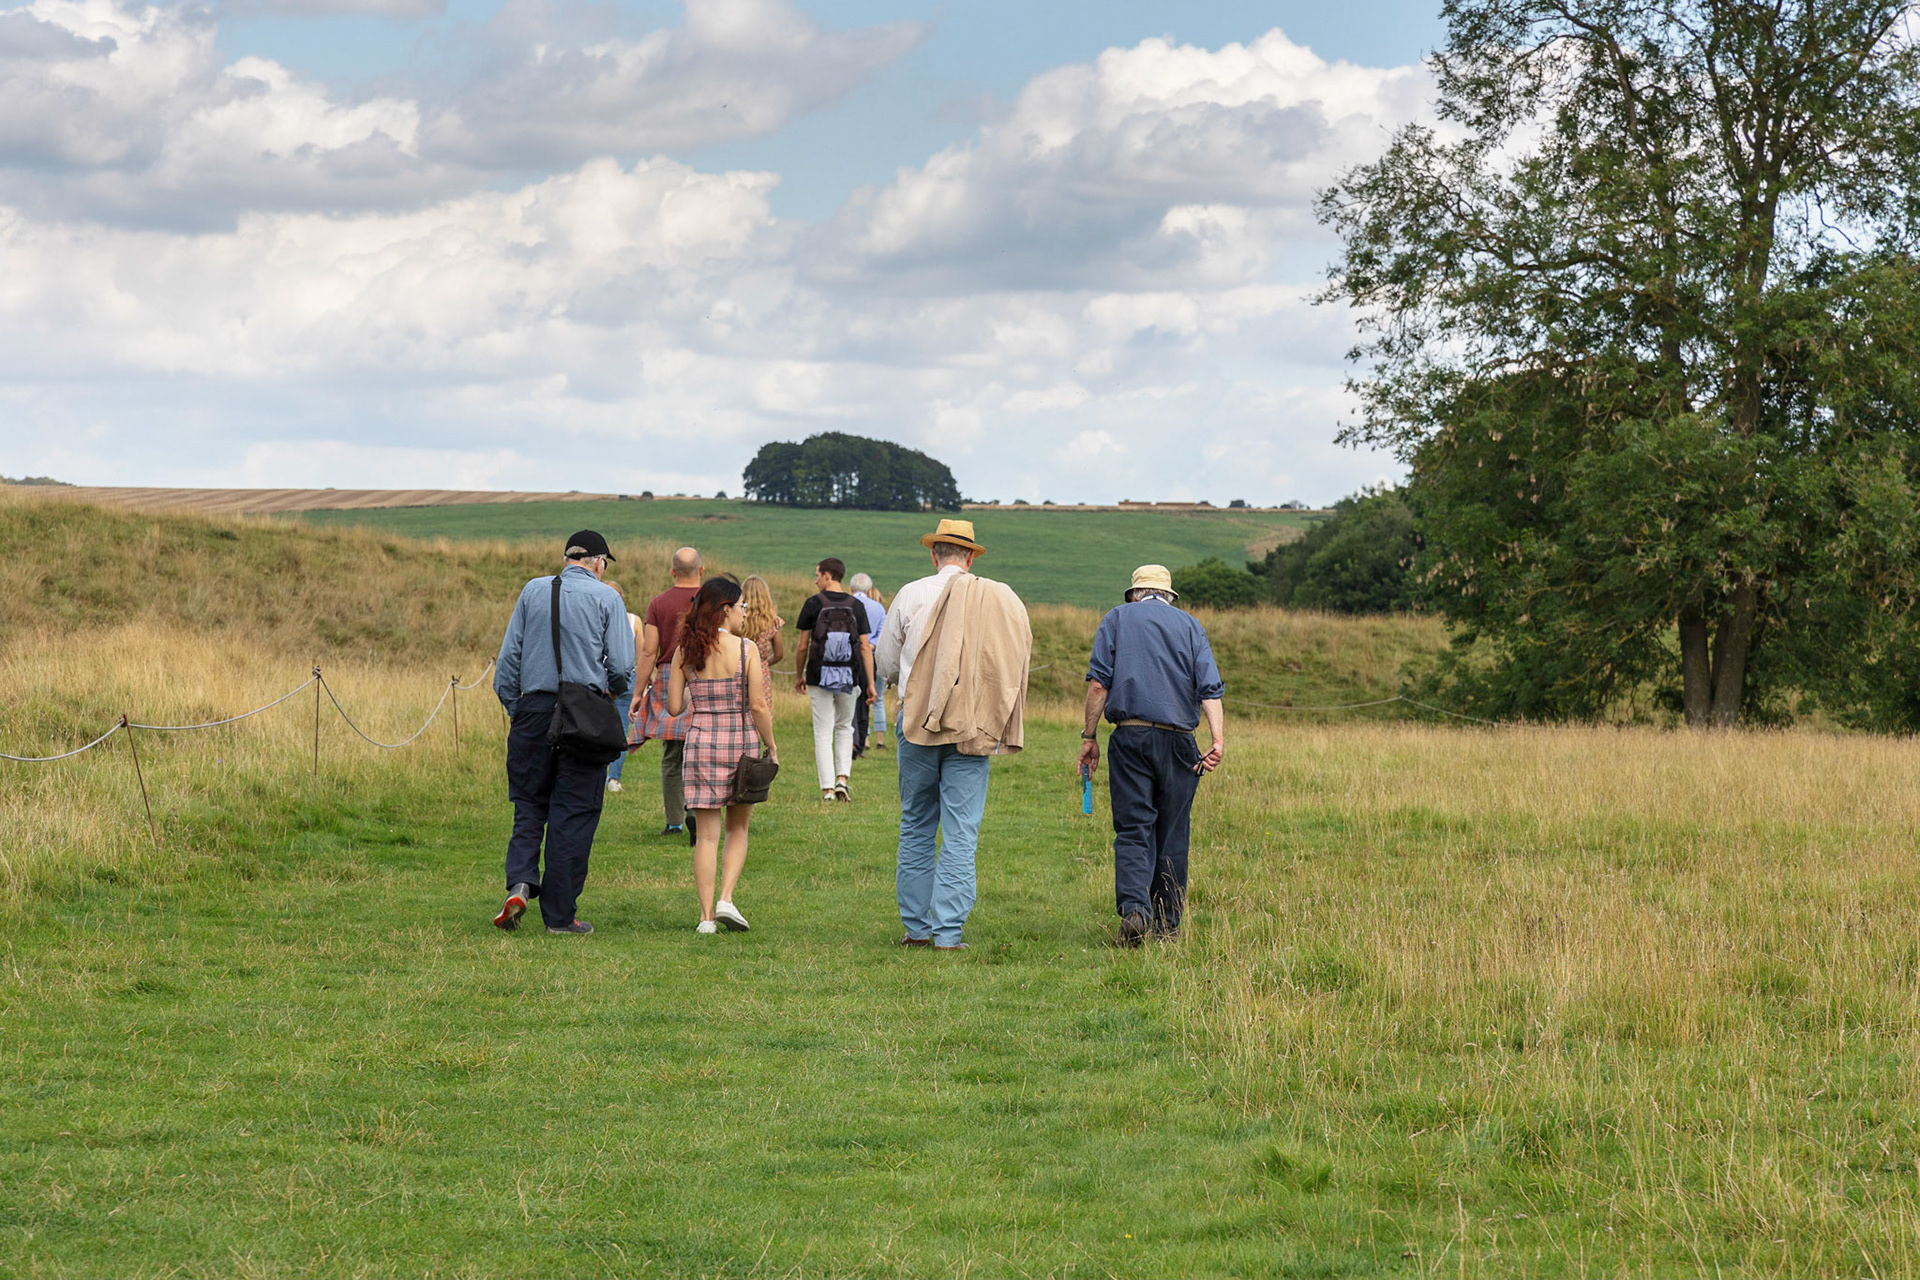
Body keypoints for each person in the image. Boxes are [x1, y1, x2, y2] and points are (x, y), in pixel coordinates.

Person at [876, 519, 1031, 951]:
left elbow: (886, 662)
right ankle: (948, 934)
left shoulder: (911, 593)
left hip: (917, 721)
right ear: (970, 558)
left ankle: (916, 929)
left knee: (916, 823)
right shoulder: (995, 599)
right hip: (972, 724)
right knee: (961, 831)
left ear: (934, 555)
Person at [491, 530, 636, 935]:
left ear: (567, 558)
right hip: (582, 713)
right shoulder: (608, 597)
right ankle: (559, 917)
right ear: (599, 562)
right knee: (573, 813)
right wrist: (611, 693)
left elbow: (509, 661)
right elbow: (621, 666)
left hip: (533, 709)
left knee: (528, 804)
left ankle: (520, 883)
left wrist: (518, 709)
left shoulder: (532, 590)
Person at [1077, 565, 1225, 946]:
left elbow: (1098, 686)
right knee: (1173, 832)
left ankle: (1135, 912)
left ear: (1134, 594)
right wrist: (1217, 739)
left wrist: (1089, 736)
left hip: (1131, 736)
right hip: (1181, 742)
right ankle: (1167, 926)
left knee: (1133, 827)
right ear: (1169, 597)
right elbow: (1210, 688)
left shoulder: (1116, 619)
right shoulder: (1191, 626)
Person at [668, 577, 779, 934]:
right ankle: (726, 899)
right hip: (740, 742)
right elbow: (758, 705)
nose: (745, 613)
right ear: (726, 609)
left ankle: (705, 919)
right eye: (741, 607)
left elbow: (674, 707)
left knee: (706, 836)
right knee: (738, 827)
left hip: (701, 741)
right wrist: (772, 746)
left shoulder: (685, 650)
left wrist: (697, 691)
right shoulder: (747, 649)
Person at [630, 547, 702, 838]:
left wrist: (638, 692)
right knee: (701, 749)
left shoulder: (658, 603)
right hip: (705, 676)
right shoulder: (712, 601)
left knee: (672, 755)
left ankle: (674, 822)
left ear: (672, 571)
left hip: (669, 678)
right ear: (701, 570)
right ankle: (698, 809)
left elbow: (649, 651)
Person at [792, 557, 876, 802]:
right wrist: (870, 683)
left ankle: (827, 789)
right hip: (850, 675)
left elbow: (802, 646)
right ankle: (842, 779)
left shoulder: (812, 604)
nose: (815, 580)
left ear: (827, 575)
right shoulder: (856, 605)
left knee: (823, 730)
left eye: (817, 575)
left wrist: (799, 675)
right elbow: (864, 647)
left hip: (819, 675)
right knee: (845, 726)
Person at [603, 581, 642, 794]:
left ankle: (601, 773)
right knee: (621, 730)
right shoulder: (634, 620)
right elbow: (642, 654)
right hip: (627, 677)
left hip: (601, 678)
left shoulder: (597, 618)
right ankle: (614, 778)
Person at [848, 572, 888, 757]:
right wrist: (871, 644)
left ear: (851, 588)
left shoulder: (847, 604)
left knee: (850, 700)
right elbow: (883, 633)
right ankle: (863, 743)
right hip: (871, 657)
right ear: (869, 589)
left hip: (850, 656)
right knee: (868, 699)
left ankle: (853, 740)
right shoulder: (878, 608)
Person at [739, 575, 785, 681]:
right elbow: (779, 654)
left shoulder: (738, 619)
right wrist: (764, 663)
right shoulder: (773, 622)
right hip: (760, 674)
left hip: (737, 671)